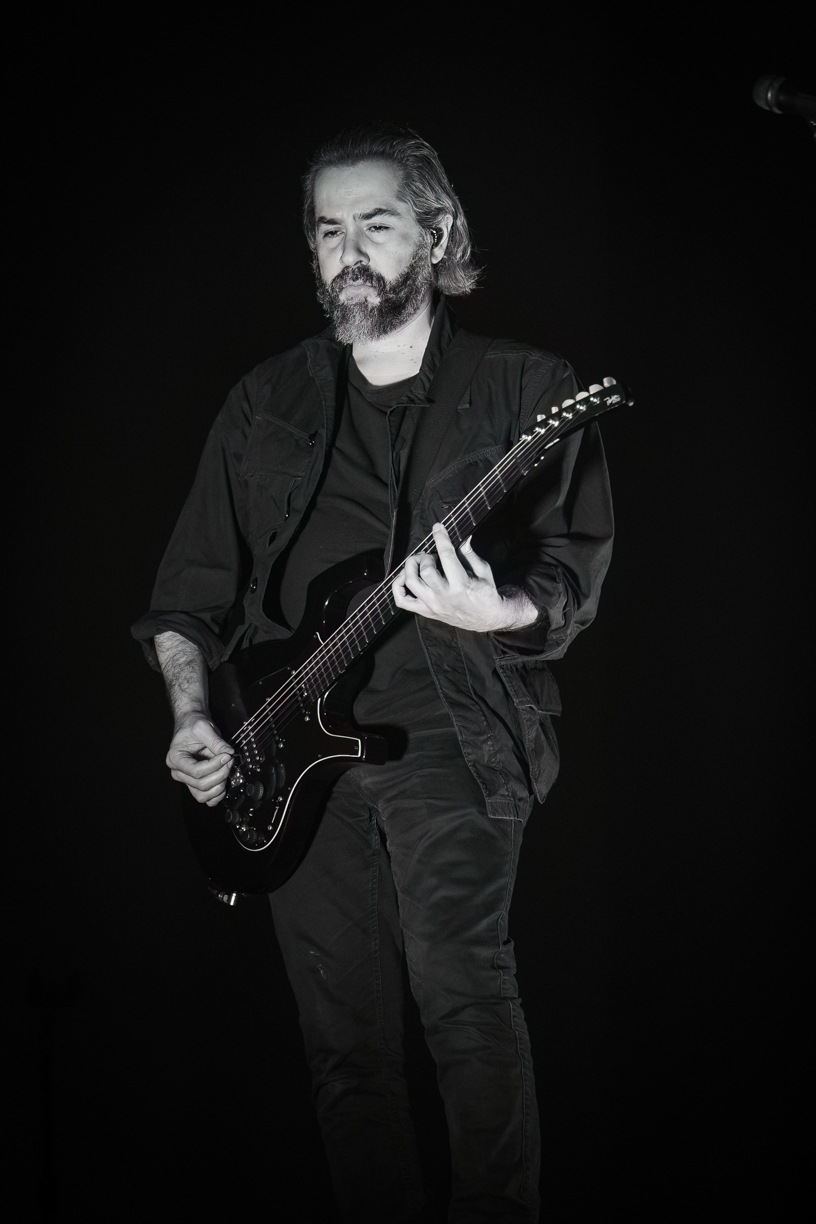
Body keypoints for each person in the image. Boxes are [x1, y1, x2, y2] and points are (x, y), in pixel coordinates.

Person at [132, 125, 614, 1224]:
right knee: (343, 1049)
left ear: (435, 236)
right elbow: (186, 597)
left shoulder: (526, 388)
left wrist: (496, 608)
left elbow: (568, 574)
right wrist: (194, 718)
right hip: (284, 751)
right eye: (328, 230)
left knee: (465, 1005)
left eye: (376, 225)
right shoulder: (266, 399)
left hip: (454, 728)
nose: (347, 253)